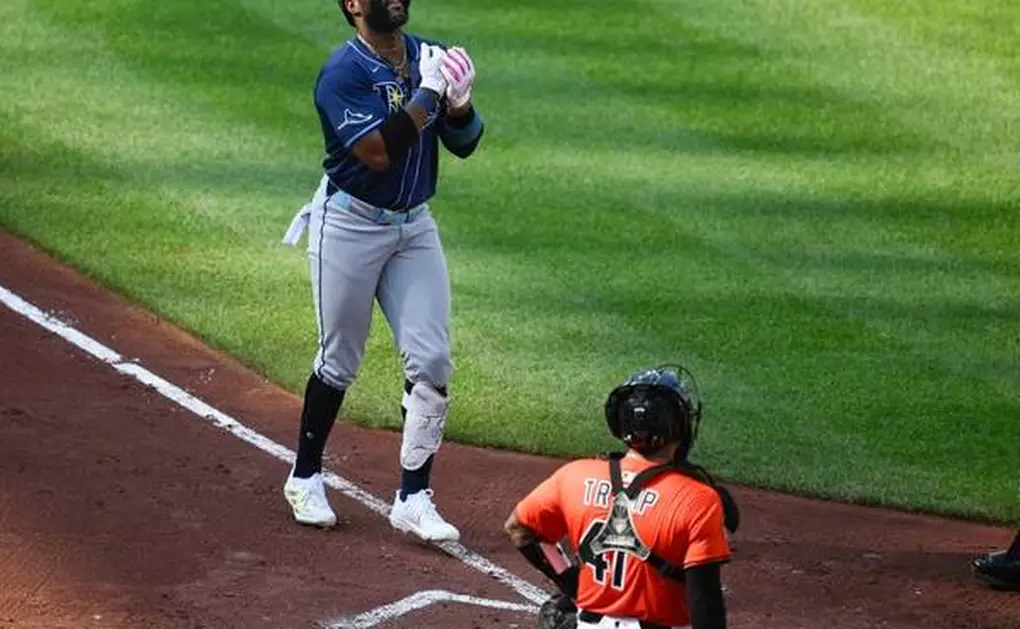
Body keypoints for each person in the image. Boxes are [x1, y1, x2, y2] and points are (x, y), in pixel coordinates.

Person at [279, 0, 485, 543]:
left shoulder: (427, 57)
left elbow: (462, 145)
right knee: (339, 358)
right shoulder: (342, 72)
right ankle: (304, 477)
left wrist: (460, 107)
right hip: (348, 224)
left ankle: (413, 496)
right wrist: (430, 95)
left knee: (432, 357)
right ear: (352, 5)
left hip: (413, 226)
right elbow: (376, 152)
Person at [503, 364, 740, 629]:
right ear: (680, 425)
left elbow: (519, 529)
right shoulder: (698, 499)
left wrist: (572, 583)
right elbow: (705, 606)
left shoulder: (574, 475)